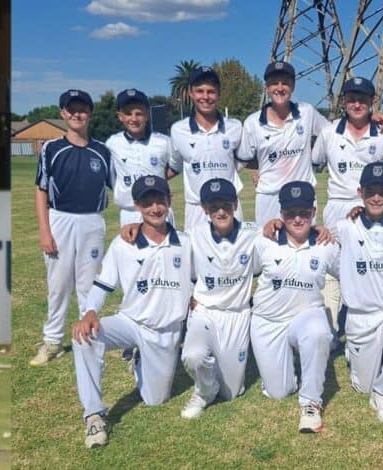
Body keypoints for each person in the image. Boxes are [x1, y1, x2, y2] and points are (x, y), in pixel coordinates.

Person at [72, 175, 191, 448]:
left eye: (160, 201)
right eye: (147, 203)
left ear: (170, 201)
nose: (155, 208)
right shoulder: (123, 243)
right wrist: (90, 311)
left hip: (166, 331)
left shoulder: (186, 242)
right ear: (137, 206)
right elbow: (103, 283)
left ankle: (138, 359)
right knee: (84, 337)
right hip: (130, 321)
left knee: (155, 400)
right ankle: (93, 415)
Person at [311, 77, 383, 345]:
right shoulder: (329, 132)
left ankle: (367, 323)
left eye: (362, 99)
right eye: (351, 99)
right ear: (344, 102)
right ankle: (331, 330)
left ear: (372, 102)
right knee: (333, 268)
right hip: (338, 206)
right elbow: (313, 164)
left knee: (368, 264)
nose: (356, 104)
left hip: (371, 206)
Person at [30, 89, 114, 366]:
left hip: (92, 221)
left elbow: (120, 187)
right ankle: (53, 341)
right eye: (72, 109)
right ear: (63, 113)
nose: (77, 114)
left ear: (90, 114)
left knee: (89, 284)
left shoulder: (103, 151)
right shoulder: (52, 149)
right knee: (58, 285)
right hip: (60, 219)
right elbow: (41, 190)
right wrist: (45, 230)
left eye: (82, 109)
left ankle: (87, 337)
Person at [251, 181, 339, 433]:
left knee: (318, 332)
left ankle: (311, 403)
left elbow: (352, 276)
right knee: (279, 392)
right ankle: (293, 362)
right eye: (290, 213)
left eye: (304, 212)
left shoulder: (326, 245)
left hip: (306, 316)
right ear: (281, 213)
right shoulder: (264, 241)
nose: (297, 219)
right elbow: (242, 272)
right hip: (268, 321)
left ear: (314, 212)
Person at [334, 162, 383, 424]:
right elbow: (312, 234)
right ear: (360, 192)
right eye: (370, 191)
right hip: (360, 316)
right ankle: (357, 355)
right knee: (363, 386)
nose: (376, 197)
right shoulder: (345, 226)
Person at [179, 178, 258, 419]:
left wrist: (320, 230)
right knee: (192, 356)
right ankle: (204, 390)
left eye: (225, 205)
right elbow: (164, 245)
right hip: (205, 309)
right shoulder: (194, 235)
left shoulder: (253, 233)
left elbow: (288, 231)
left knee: (231, 392)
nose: (220, 212)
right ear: (205, 209)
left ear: (235, 205)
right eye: (214, 207)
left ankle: (216, 370)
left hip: (237, 313)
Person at [236, 61, 329, 225]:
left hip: (303, 196)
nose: (280, 88)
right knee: (269, 241)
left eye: (285, 83)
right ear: (266, 87)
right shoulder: (252, 122)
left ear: (293, 86)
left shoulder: (307, 112)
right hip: (269, 198)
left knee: (305, 242)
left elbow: (334, 133)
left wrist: (369, 119)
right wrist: (262, 169)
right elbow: (243, 160)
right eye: (274, 83)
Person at [168, 66, 244, 230]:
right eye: (200, 91)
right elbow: (174, 166)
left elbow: (246, 158)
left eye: (211, 91)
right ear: (191, 93)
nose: (205, 97)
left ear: (219, 93)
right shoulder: (178, 130)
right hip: (196, 210)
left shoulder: (235, 127)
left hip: (229, 206)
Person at [106, 88, 174, 227]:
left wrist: (161, 179)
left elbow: (176, 166)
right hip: (129, 213)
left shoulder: (163, 142)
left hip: (159, 209)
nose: (134, 119)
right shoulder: (112, 143)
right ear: (120, 116)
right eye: (128, 113)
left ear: (147, 114)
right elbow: (110, 175)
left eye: (139, 113)